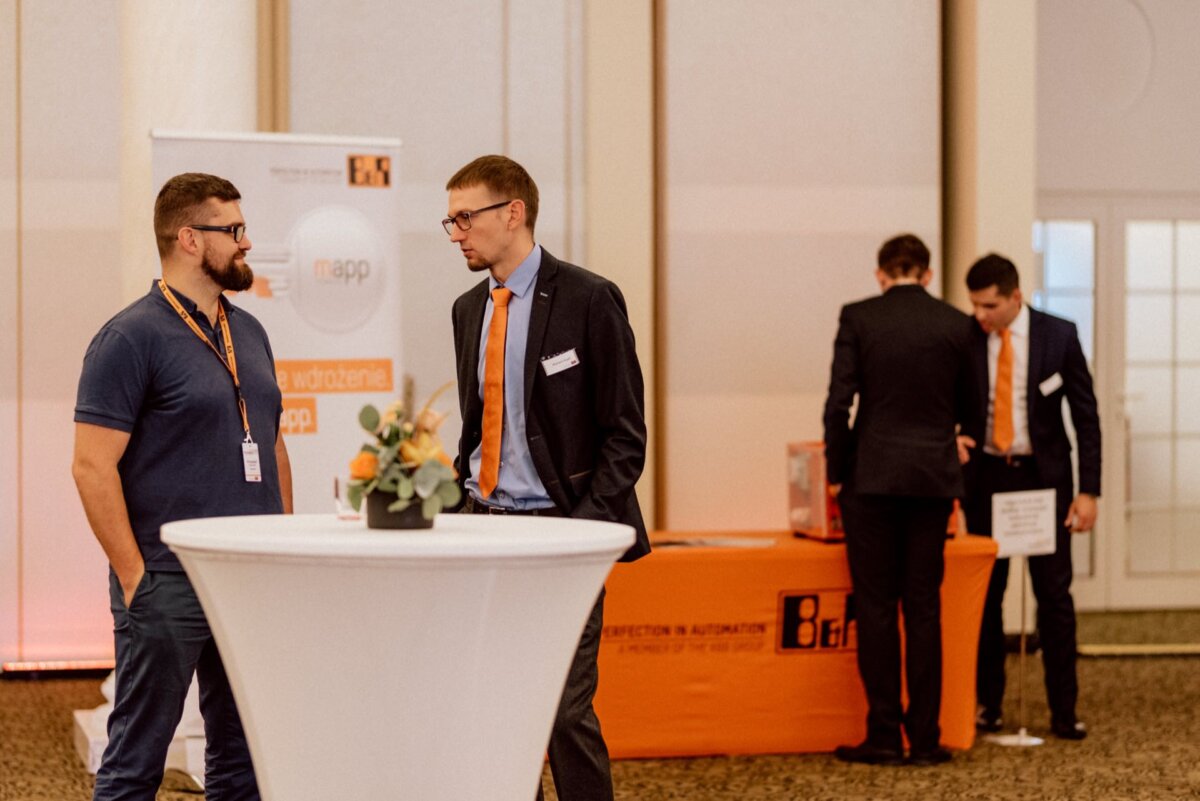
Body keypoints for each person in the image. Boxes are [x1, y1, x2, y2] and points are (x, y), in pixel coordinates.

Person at [72, 172, 293, 801]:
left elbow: (272, 441)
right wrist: (135, 576)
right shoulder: (129, 338)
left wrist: (280, 546)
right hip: (167, 577)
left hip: (248, 574)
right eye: (235, 231)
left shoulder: (248, 331)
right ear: (189, 239)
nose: (247, 243)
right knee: (136, 761)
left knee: (242, 757)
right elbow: (91, 466)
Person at [445, 154, 649, 801]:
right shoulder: (465, 309)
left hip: (564, 530)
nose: (456, 233)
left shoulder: (589, 298)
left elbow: (626, 433)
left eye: (465, 217)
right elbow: (478, 429)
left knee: (561, 709)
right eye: (448, 221)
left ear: (514, 212)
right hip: (484, 529)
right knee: (497, 706)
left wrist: (583, 532)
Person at [823, 233, 973, 766]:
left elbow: (838, 403)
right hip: (933, 479)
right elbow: (974, 407)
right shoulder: (958, 324)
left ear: (881, 273)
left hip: (872, 478)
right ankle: (927, 739)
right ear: (928, 274)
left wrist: (838, 472)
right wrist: (956, 445)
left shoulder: (859, 317)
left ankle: (884, 735)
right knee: (925, 608)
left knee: (878, 608)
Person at [959, 253, 1100, 740]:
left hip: (1044, 482)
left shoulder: (1058, 336)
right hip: (987, 481)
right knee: (987, 598)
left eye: (989, 305)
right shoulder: (967, 337)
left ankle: (1065, 710)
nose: (981, 315)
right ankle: (988, 706)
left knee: (1054, 599)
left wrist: (1089, 491)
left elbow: (1086, 416)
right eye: (975, 305)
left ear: (1015, 297)